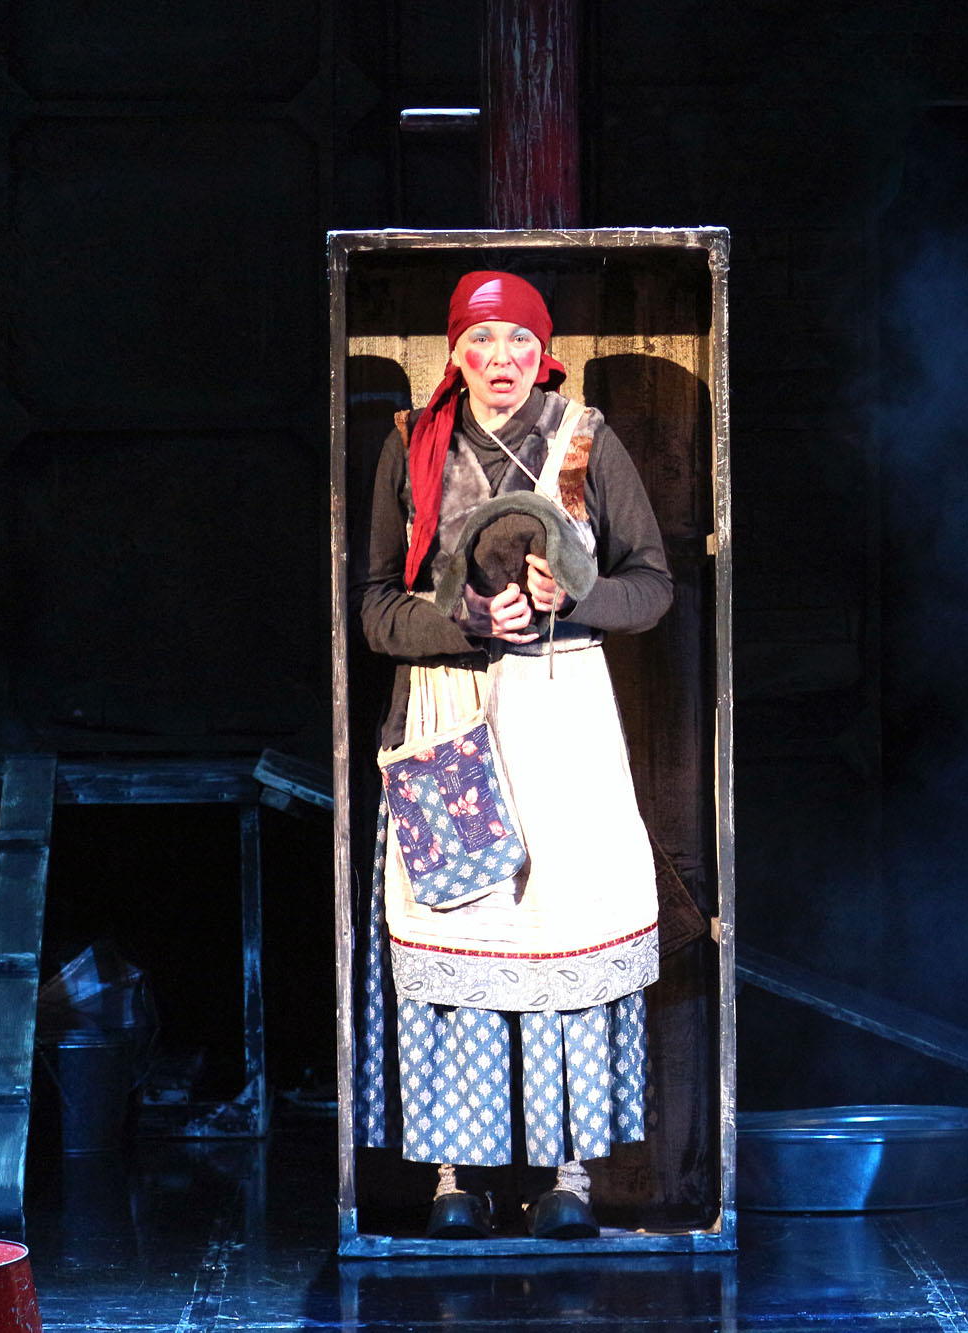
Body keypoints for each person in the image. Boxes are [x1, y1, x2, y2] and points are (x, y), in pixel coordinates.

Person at [351, 270, 674, 1239]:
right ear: (456, 352)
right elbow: (374, 606)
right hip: (447, 712)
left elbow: (652, 584)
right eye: (482, 342)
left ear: (544, 353)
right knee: (460, 927)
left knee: (561, 932)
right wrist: (464, 620)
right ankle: (455, 1178)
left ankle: (568, 1178)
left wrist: (577, 597)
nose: (501, 360)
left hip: (561, 716)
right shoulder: (414, 443)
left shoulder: (584, 439)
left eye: (519, 342)